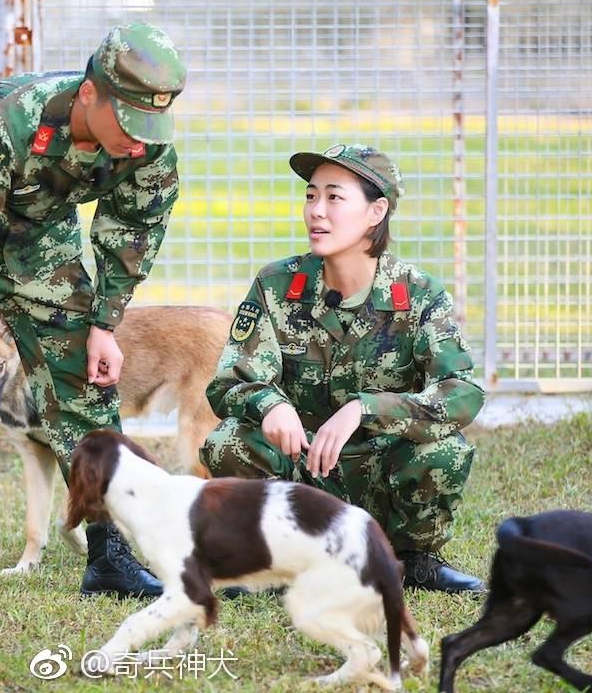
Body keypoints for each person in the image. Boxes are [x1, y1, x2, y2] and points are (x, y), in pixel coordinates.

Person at [0, 23, 186, 621]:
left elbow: (134, 230)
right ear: (89, 95)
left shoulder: (147, 143)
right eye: (127, 122)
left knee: (87, 388)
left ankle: (108, 557)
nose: (138, 142)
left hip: (40, 240)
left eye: (149, 127)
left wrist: (104, 323)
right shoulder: (7, 125)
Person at [200, 143, 486, 594]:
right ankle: (277, 562)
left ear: (376, 211)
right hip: (302, 473)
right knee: (229, 441)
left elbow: (463, 393)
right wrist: (270, 403)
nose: (316, 211)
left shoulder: (419, 295)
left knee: (444, 449)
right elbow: (230, 380)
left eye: (334, 198)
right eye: (311, 196)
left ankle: (412, 561)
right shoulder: (278, 284)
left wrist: (367, 408)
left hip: (380, 471)